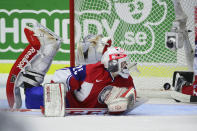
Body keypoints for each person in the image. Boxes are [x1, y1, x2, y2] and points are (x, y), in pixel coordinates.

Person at [6, 23, 136, 114]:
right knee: (32, 98)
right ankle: (46, 50)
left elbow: (131, 97)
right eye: (123, 63)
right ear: (113, 64)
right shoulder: (92, 71)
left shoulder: (126, 79)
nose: (126, 66)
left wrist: (122, 104)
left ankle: (50, 47)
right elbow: (61, 75)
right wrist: (57, 96)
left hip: (78, 102)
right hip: (68, 101)